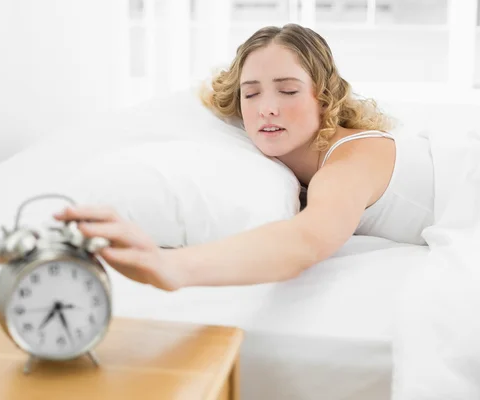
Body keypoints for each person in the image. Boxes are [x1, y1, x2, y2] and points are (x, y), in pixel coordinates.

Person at [53, 23, 434, 292]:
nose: (267, 108)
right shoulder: (287, 164)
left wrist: (172, 266)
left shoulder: (348, 165)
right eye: (251, 94)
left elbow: (305, 242)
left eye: (287, 90)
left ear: (322, 96)